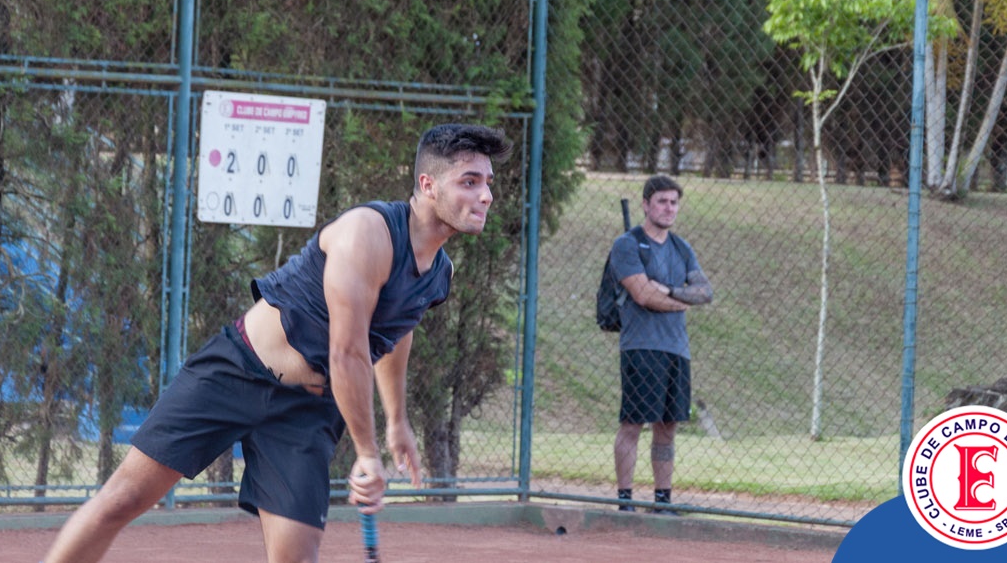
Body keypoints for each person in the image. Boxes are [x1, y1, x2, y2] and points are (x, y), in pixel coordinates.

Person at [39, 122, 513, 563]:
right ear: (428, 186)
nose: (486, 195)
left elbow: (394, 329)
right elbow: (347, 352)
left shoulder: (439, 273)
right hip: (238, 371)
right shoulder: (366, 233)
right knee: (122, 499)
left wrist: (396, 420)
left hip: (306, 411)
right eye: (469, 181)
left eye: (488, 183)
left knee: (295, 558)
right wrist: (368, 454)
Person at [607, 174, 713, 514]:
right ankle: (625, 501)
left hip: (676, 349)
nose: (669, 208)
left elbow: (705, 292)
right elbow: (641, 294)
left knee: (667, 428)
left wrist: (668, 290)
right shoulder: (628, 244)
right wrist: (681, 301)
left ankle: (662, 501)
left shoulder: (682, 248)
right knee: (633, 424)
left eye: (673, 202)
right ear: (646, 204)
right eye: (662, 201)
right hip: (641, 348)